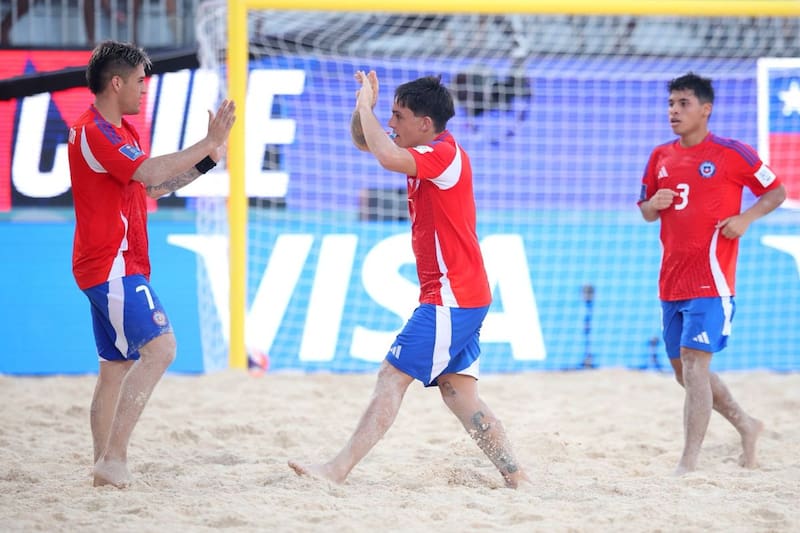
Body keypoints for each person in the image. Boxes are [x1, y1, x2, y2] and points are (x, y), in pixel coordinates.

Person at [289, 71, 531, 489]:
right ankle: (517, 476)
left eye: (398, 116)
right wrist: (363, 106)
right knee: (459, 395)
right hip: (464, 294)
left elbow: (383, 154)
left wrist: (367, 108)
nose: (391, 124)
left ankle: (336, 470)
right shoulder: (421, 147)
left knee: (391, 377)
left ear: (425, 123)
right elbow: (365, 141)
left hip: (451, 297)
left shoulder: (442, 154)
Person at [67, 40, 235, 488]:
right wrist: (209, 140)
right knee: (161, 348)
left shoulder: (121, 132)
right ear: (116, 82)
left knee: (115, 370)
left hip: (109, 264)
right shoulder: (94, 131)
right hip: (112, 265)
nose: (145, 89)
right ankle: (113, 458)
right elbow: (146, 173)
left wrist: (208, 159)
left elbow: (150, 190)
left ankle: (104, 464)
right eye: (141, 81)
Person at [637, 72, 786, 475]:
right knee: (683, 371)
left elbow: (777, 192)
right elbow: (646, 212)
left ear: (706, 109)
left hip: (712, 278)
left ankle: (689, 461)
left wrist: (746, 218)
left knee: (694, 363)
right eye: (670, 104)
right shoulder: (660, 156)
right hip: (671, 278)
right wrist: (654, 202)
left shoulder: (731, 153)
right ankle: (747, 424)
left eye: (683, 103)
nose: (673, 111)